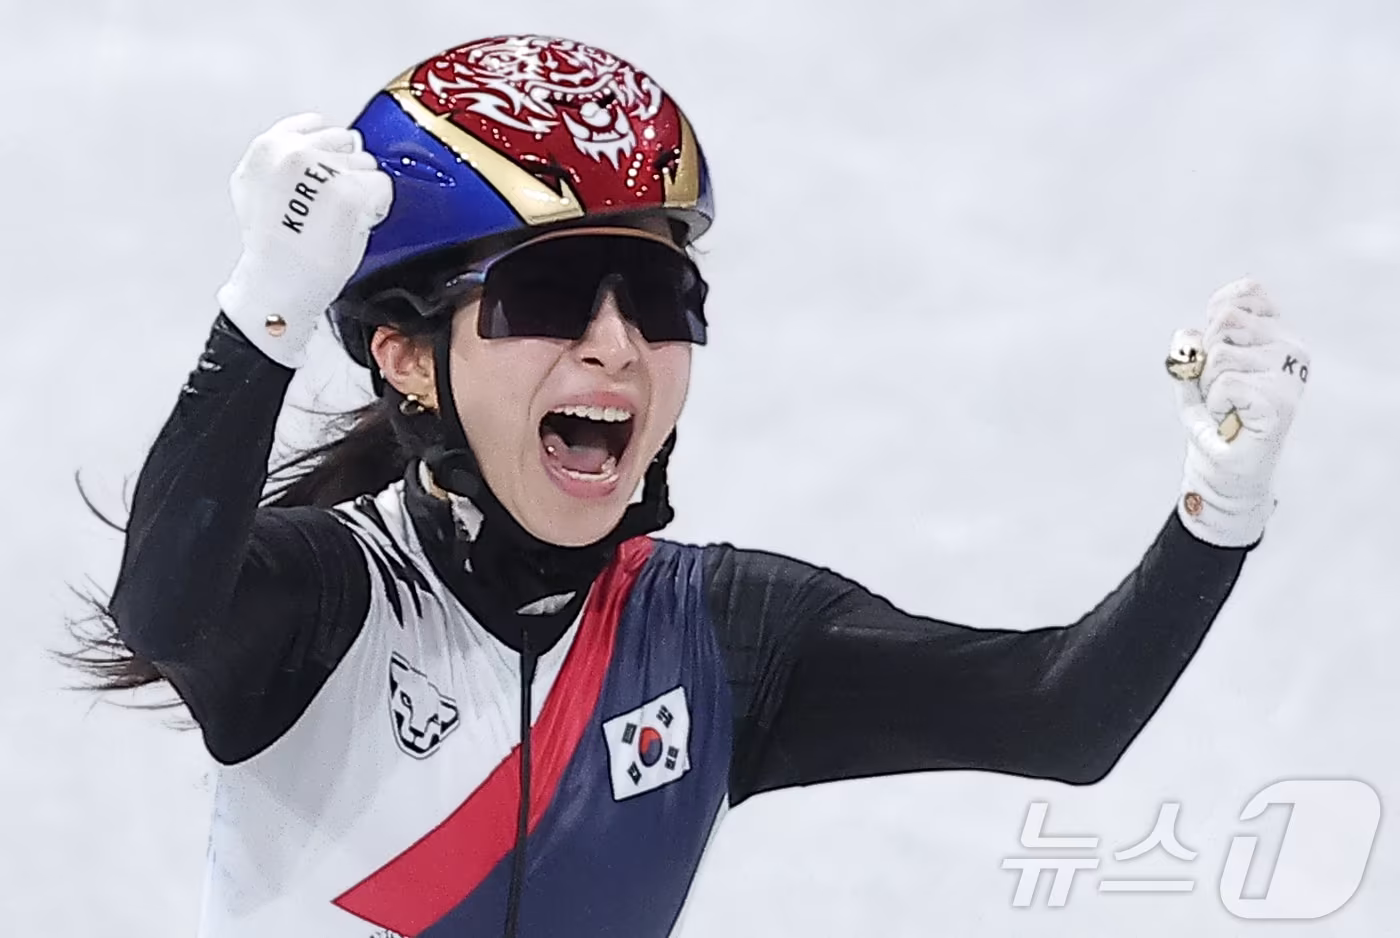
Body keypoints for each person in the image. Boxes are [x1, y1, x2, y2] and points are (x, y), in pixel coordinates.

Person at [67, 33, 1311, 938]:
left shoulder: (718, 636)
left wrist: (1218, 507)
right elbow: (165, 611)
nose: (614, 342)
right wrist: (262, 311)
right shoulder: (331, 603)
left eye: (656, 299)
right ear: (407, 359)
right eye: (547, 298)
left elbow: (1058, 716)